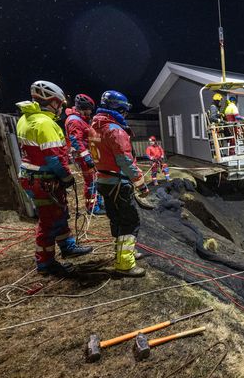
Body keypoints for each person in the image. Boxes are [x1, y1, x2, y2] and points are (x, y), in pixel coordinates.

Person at [16, 80, 93, 276]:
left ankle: (67, 246)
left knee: (59, 213)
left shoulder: (25, 120)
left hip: (34, 178)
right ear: (51, 101)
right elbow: (54, 159)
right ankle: (45, 262)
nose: (60, 107)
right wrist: (67, 178)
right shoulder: (45, 123)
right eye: (59, 103)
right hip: (44, 180)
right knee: (49, 220)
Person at [89, 90, 149, 277]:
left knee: (116, 219)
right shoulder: (115, 130)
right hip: (118, 182)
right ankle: (124, 263)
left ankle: (124, 252)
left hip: (103, 181)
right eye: (124, 111)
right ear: (119, 109)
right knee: (130, 222)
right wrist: (140, 183)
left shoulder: (94, 127)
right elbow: (125, 160)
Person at [64, 93, 105, 215]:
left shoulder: (81, 120)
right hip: (84, 157)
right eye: (88, 110)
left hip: (90, 155)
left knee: (96, 180)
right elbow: (76, 141)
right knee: (91, 182)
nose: (90, 113)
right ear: (82, 108)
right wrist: (87, 157)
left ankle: (98, 202)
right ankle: (91, 206)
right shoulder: (74, 121)